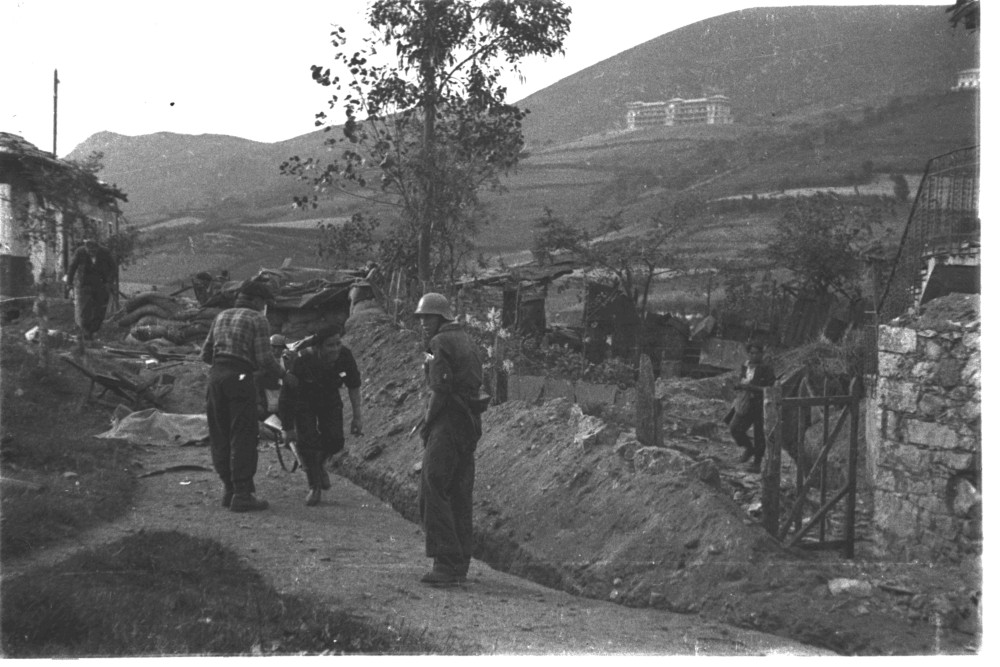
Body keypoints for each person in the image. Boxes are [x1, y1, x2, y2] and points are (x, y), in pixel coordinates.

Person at [201, 280, 294, 512]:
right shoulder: (257, 319)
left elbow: (205, 354)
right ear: (256, 301)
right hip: (239, 377)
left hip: (216, 376)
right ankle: (243, 493)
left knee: (220, 433)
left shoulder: (221, 317)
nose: (264, 307)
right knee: (243, 434)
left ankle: (229, 490)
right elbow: (264, 359)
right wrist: (285, 375)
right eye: (263, 302)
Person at [414, 292, 487, 586]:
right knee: (459, 490)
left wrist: (427, 422)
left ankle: (444, 564)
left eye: (427, 318)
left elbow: (439, 390)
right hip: (469, 421)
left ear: (440, 317)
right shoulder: (466, 340)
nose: (422, 324)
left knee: (433, 485)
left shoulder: (439, 343)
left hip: (449, 419)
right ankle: (460, 564)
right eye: (420, 319)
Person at [278, 324, 363, 506]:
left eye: (338, 344)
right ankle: (314, 486)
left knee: (335, 440)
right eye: (330, 345)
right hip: (304, 401)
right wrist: (288, 428)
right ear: (318, 347)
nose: (335, 349)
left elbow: (353, 386)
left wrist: (357, 416)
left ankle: (319, 463)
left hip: (329, 398)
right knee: (307, 442)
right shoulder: (302, 360)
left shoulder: (345, 356)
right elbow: (287, 395)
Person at [726, 340, 776, 473]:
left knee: (759, 434)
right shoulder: (746, 366)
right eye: (751, 353)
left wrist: (752, 387)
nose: (753, 356)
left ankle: (757, 463)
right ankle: (749, 448)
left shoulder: (766, 368)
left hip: (760, 405)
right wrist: (739, 386)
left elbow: (770, 388)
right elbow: (742, 380)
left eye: (756, 353)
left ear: (761, 354)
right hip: (746, 403)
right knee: (735, 428)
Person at [64, 237, 117, 340]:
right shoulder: (80, 252)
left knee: (99, 310)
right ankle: (86, 332)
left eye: (94, 251)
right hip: (84, 285)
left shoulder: (105, 252)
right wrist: (69, 284)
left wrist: (109, 282)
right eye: (89, 251)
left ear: (98, 248)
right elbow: (72, 267)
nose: (92, 253)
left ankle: (93, 331)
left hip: (100, 284)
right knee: (84, 311)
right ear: (86, 249)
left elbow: (114, 268)